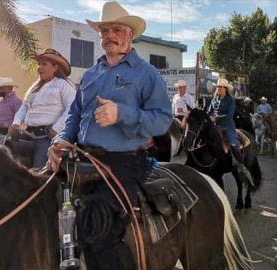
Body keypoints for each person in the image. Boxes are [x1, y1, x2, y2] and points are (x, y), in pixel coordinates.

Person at [48, 2, 172, 269]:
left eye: (117, 29)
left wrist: (122, 114)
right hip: (83, 158)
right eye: (105, 31)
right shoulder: (91, 74)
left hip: (124, 161)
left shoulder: (146, 74)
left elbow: (163, 120)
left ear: (130, 34)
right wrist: (60, 140)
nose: (110, 36)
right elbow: (74, 115)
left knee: (97, 229)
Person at [9, 48, 76, 168]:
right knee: (8, 157)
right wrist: (16, 123)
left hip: (47, 138)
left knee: (39, 171)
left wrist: (56, 128)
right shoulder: (34, 88)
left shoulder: (63, 85)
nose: (39, 67)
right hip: (27, 134)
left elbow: (72, 108)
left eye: (44, 64)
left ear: (55, 67)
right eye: (39, 64)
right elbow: (24, 107)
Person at [206, 78, 253, 183]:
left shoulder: (230, 100)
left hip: (228, 126)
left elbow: (230, 116)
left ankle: (241, 165)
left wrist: (215, 118)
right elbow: (209, 112)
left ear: (225, 88)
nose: (218, 88)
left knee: (233, 144)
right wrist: (205, 117)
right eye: (217, 87)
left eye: (220, 87)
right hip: (216, 126)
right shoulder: (214, 100)